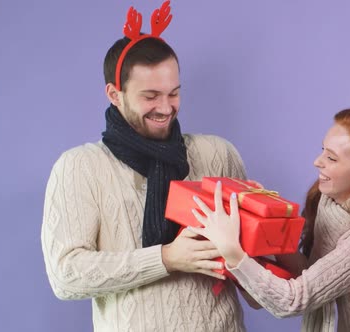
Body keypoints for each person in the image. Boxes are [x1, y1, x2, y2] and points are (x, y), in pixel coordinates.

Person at [41, 2, 247, 331]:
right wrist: (165, 258)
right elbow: (65, 274)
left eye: (174, 93)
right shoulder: (80, 167)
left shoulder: (217, 154)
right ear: (114, 93)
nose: (165, 108)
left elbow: (249, 261)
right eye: (150, 96)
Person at [189, 71, 350, 331]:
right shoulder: (330, 203)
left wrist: (233, 252)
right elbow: (316, 274)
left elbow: (294, 299)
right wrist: (266, 223)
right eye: (323, 150)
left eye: (331, 158)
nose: (317, 162)